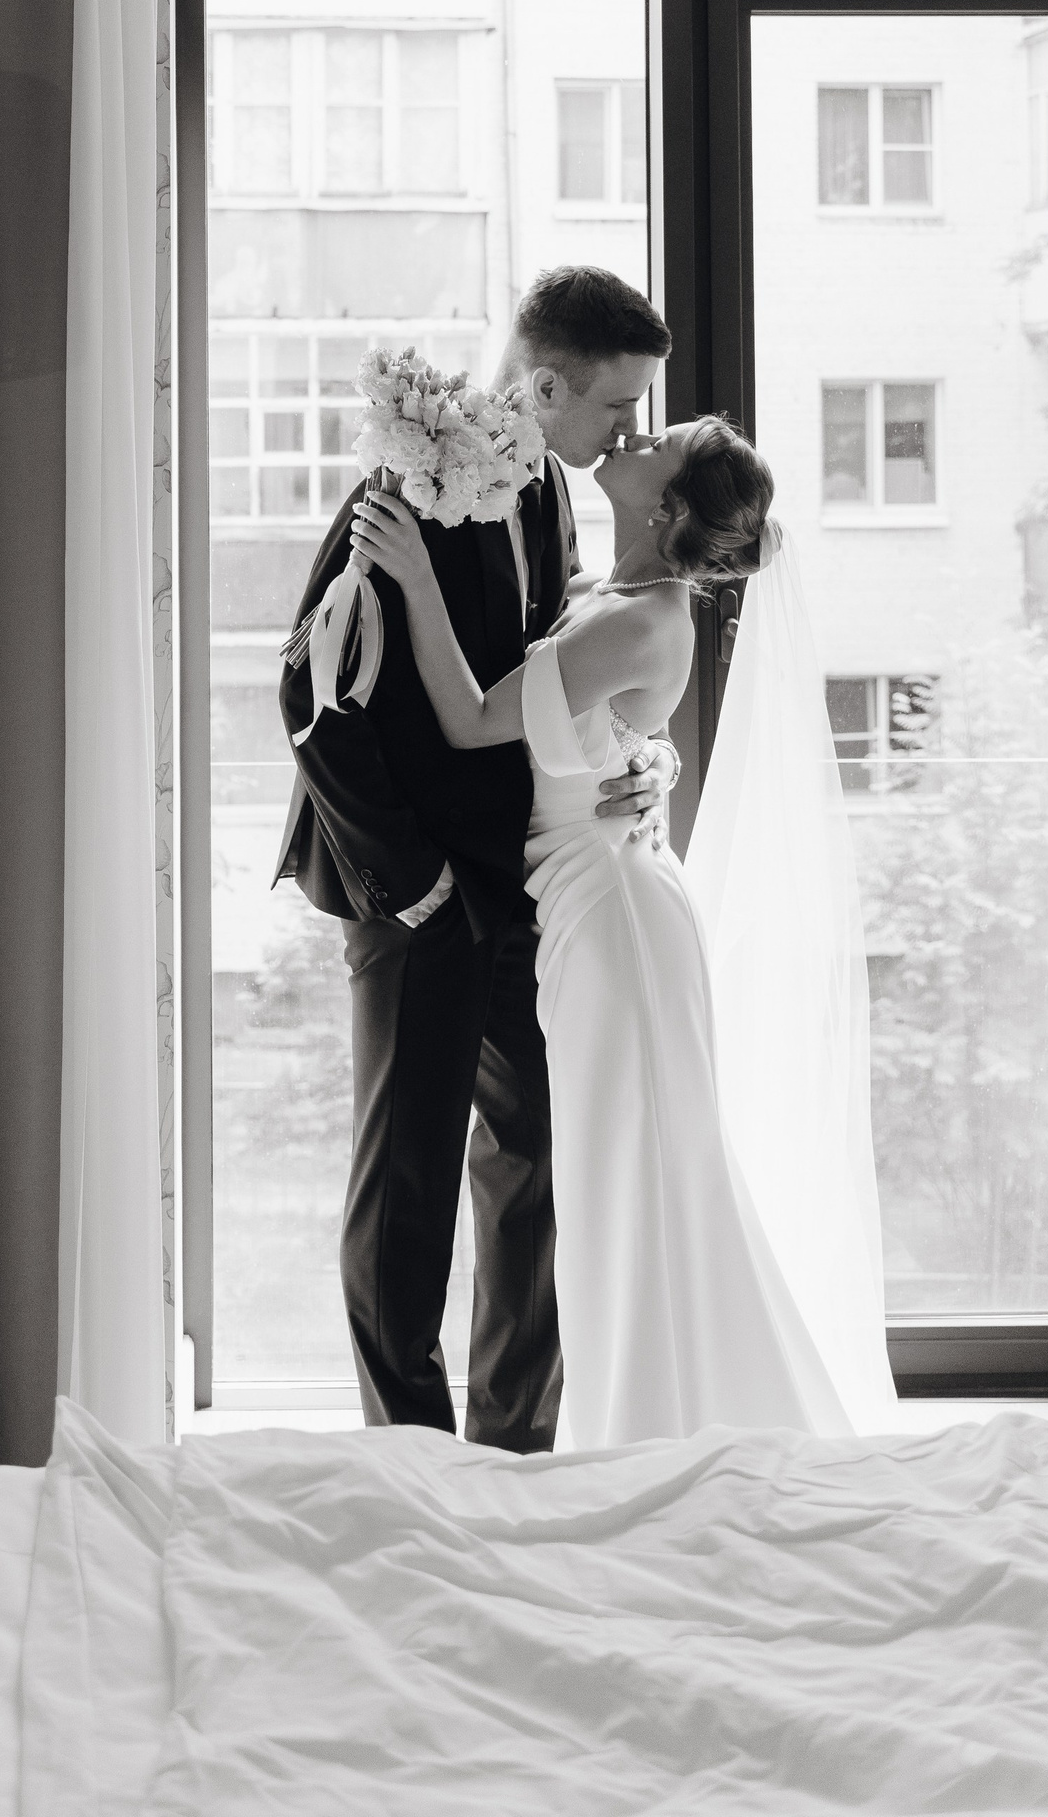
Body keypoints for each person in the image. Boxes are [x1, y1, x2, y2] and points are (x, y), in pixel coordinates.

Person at [351, 413, 896, 1447]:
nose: (634, 437)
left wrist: (416, 578)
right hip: (592, 901)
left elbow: (472, 719)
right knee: (622, 1184)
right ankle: (641, 1423)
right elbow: (615, 723)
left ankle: (649, 1433)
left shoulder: (641, 619)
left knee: (630, 1186)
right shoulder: (610, 593)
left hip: (616, 923)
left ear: (666, 506)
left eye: (658, 444)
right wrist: (651, 757)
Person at [276, 267, 674, 1449]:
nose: (630, 432)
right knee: (407, 1193)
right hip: (415, 897)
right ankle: (411, 1462)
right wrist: (414, 887)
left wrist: (634, 759)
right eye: (617, 405)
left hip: (524, 885)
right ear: (546, 387)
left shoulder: (547, 486)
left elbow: (549, 669)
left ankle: (513, 1453)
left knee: (535, 1166)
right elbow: (310, 695)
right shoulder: (404, 480)